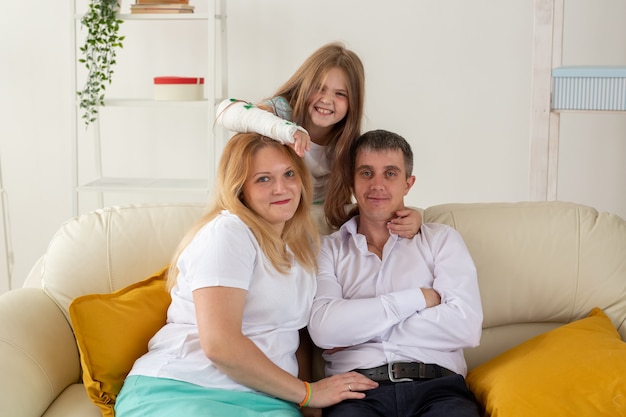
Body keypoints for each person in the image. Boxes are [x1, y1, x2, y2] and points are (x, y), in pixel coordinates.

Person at [114, 132, 378, 417]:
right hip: (185, 386)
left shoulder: (303, 245)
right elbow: (220, 344)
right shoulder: (230, 233)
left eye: (289, 174)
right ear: (240, 189)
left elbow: (290, 334)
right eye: (263, 179)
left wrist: (411, 221)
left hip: (267, 398)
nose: (282, 188)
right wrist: (308, 393)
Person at [307, 130, 483, 417]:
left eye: (390, 173)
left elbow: (466, 326)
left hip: (438, 388)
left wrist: (359, 330)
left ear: (408, 183)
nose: (377, 184)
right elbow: (324, 331)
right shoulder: (327, 250)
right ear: (352, 181)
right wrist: (418, 298)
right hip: (357, 393)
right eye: (366, 172)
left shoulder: (441, 240)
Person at [215, 41, 422, 238]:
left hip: (316, 220)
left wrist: (413, 217)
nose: (327, 100)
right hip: (269, 212)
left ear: (353, 103)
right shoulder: (284, 112)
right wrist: (285, 130)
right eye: (319, 88)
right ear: (304, 86)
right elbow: (225, 111)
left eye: (340, 93)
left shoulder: (347, 143)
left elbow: (374, 195)